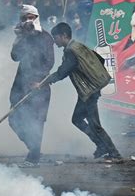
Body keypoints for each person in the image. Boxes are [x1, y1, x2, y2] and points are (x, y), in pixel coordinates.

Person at [36, 22, 121, 159]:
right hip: (89, 90)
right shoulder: (79, 46)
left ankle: (113, 152)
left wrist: (42, 83)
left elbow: (62, 72)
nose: (54, 40)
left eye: (55, 37)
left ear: (63, 36)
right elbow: (99, 59)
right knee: (77, 119)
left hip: (89, 92)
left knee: (95, 124)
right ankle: (101, 145)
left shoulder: (71, 51)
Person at [8, 5, 54, 167]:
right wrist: (20, 38)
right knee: (13, 118)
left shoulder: (45, 37)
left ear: (36, 18)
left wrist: (39, 81)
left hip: (38, 85)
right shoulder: (23, 36)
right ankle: (33, 148)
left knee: (36, 121)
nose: (27, 21)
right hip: (21, 84)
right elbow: (15, 57)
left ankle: (33, 156)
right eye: (24, 18)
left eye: (30, 17)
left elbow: (49, 62)